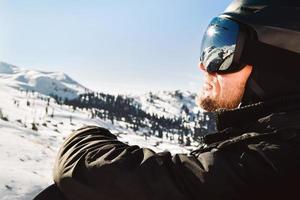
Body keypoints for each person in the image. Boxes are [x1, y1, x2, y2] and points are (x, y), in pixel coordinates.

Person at [34, 0, 300, 199]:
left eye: (221, 51)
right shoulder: (267, 144)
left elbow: (96, 174)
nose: (204, 66)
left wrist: (85, 135)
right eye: (208, 48)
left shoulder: (274, 161)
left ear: (275, 66)